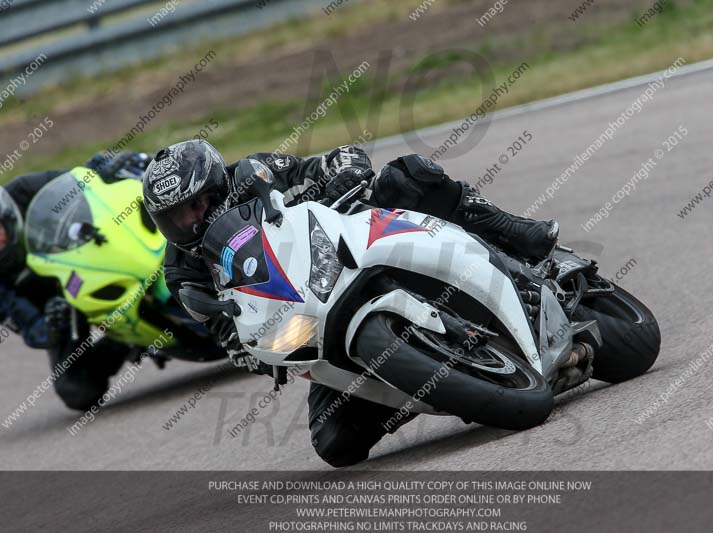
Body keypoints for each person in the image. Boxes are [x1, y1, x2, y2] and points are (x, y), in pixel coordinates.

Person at [142, 140, 559, 466]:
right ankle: (424, 387)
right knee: (334, 443)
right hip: (309, 316)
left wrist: (347, 175)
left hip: (347, 245)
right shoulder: (183, 271)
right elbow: (227, 334)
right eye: (176, 217)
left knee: (407, 175)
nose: (191, 221)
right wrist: (260, 351)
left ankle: (516, 234)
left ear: (217, 185)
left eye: (195, 205)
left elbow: (334, 160)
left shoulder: (255, 172)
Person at [0, 152, 154, 411]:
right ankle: (126, 339)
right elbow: (29, 325)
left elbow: (83, 181)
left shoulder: (26, 190)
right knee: (77, 391)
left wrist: (111, 165)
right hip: (61, 305)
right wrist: (52, 325)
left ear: (6, 216)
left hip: (93, 252)